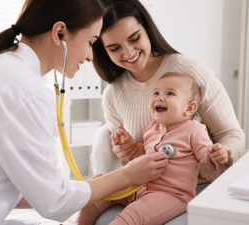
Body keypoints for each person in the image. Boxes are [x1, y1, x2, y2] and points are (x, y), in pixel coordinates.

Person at [0, 0, 170, 224]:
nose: (91, 56)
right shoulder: (26, 90)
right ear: (60, 33)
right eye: (91, 42)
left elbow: (23, 188)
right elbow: (54, 203)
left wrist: (90, 187)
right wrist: (126, 175)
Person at [92, 0, 245, 184]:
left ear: (147, 29)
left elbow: (231, 134)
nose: (129, 52)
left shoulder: (190, 71)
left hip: (197, 187)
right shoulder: (113, 95)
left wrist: (223, 158)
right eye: (114, 48)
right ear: (103, 50)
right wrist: (124, 150)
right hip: (145, 190)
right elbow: (129, 162)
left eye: (134, 38)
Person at [76, 72, 230, 224]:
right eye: (156, 92)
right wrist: (131, 146)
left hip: (170, 194)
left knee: (132, 214)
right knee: (99, 185)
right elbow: (144, 154)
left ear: (189, 108)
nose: (159, 97)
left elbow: (206, 158)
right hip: (139, 186)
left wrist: (216, 155)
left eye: (170, 93)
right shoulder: (152, 128)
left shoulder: (194, 129)